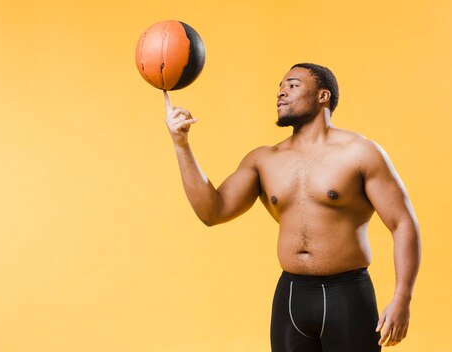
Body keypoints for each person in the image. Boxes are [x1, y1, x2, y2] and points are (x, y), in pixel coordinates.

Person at [164, 63, 421, 351]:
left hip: (346, 296)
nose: (281, 92)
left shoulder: (359, 152)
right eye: (280, 87)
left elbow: (403, 223)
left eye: (293, 85)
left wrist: (402, 297)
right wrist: (181, 144)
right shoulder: (264, 159)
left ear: (323, 96)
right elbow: (212, 211)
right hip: (291, 297)